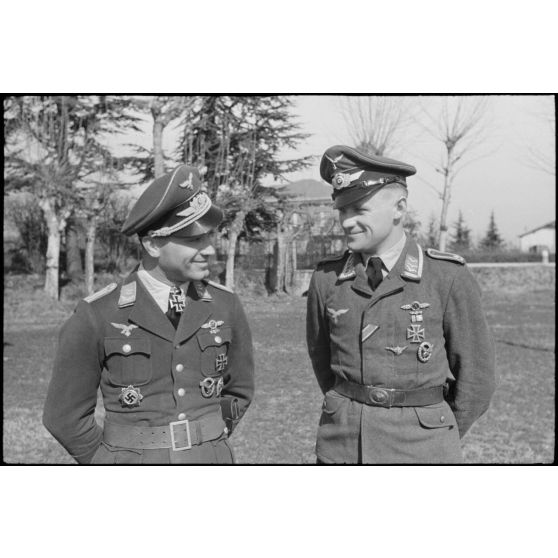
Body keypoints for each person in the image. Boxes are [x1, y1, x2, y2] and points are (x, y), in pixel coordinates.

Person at [43, 164, 255, 464]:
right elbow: (63, 415)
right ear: (153, 244)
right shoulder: (98, 314)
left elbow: (240, 389)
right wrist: (107, 460)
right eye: (194, 240)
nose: (209, 249)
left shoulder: (225, 305)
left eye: (209, 238)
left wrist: (208, 439)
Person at [306, 145, 495, 464]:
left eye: (358, 209)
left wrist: (437, 433)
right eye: (342, 211)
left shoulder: (446, 277)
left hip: (423, 449)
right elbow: (322, 358)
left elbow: (477, 380)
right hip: (343, 446)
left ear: (399, 208)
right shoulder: (327, 278)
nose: (347, 222)